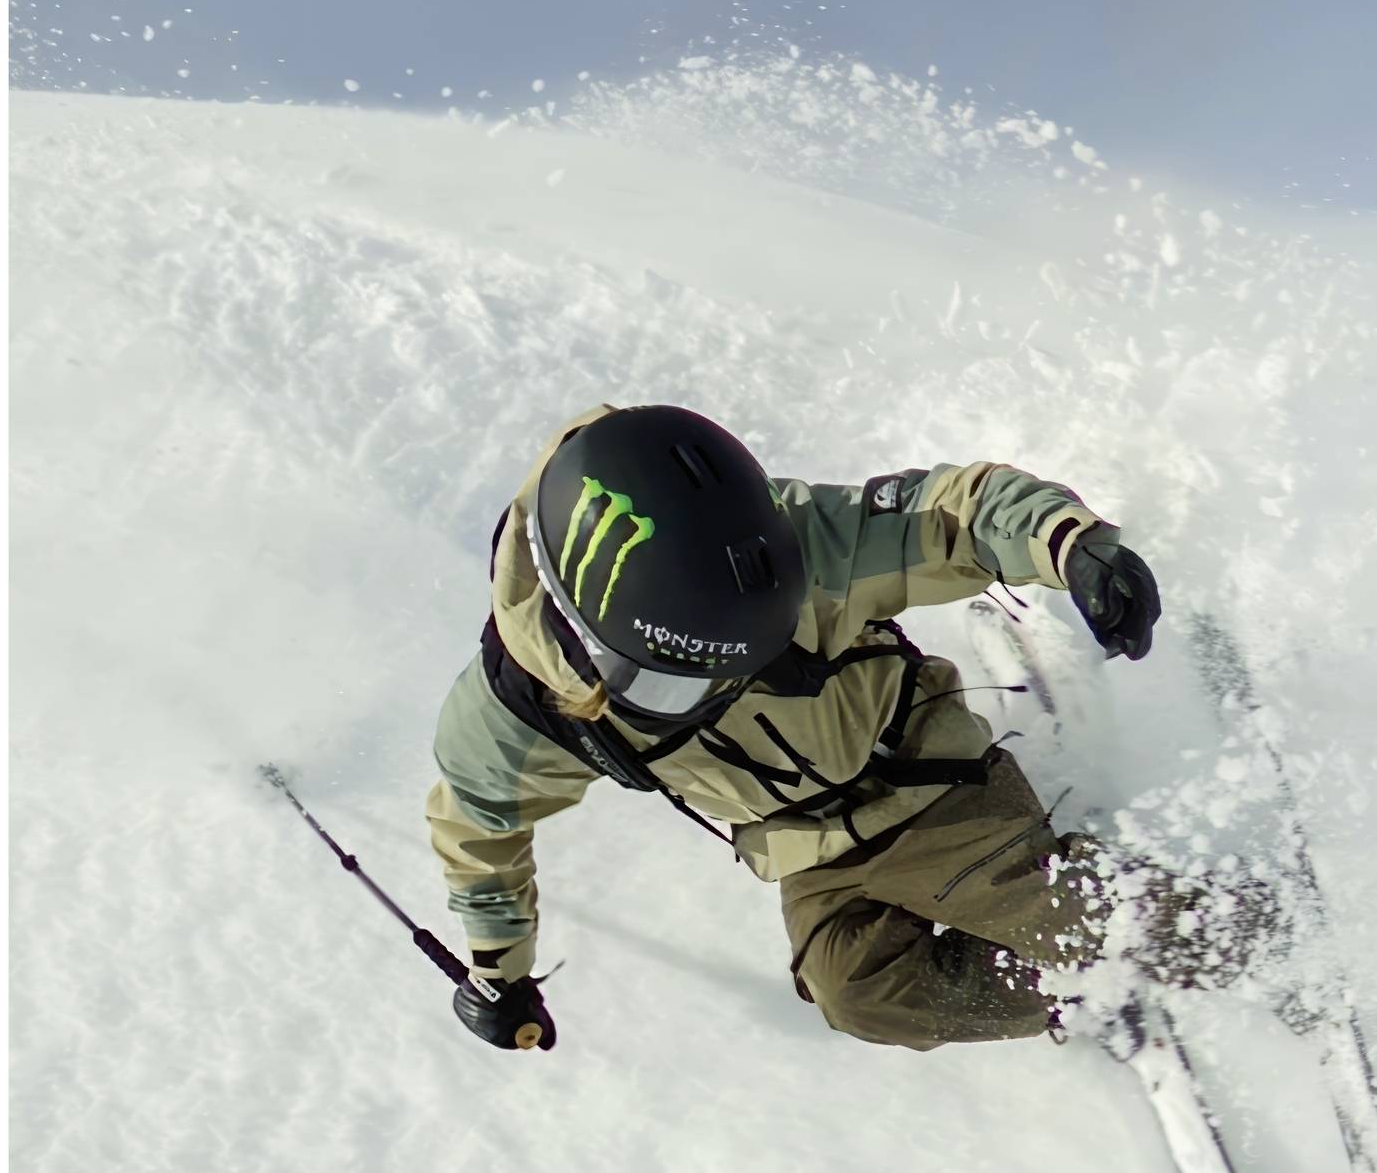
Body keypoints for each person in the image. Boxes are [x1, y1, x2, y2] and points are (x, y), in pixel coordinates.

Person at [425, 402, 1243, 1053]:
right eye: (678, 685)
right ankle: (1068, 993)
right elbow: (479, 831)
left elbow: (955, 511)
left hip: (921, 779)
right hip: (806, 846)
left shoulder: (790, 542)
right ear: (585, 646)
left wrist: (1073, 548)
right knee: (859, 994)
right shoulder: (522, 713)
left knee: (1049, 912)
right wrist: (501, 975)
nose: (708, 693)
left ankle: (1249, 936)